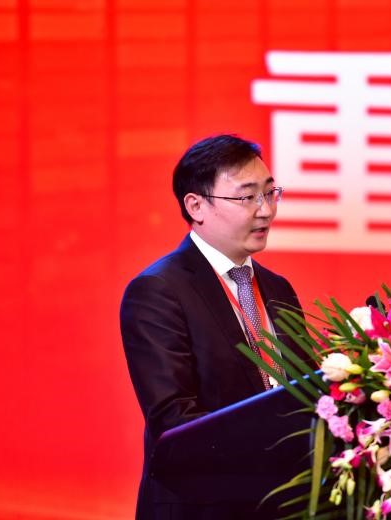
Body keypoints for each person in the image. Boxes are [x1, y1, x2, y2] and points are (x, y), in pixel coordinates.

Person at [120, 134, 304, 519]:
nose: (266, 210)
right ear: (196, 206)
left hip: (284, 505)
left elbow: (303, 394)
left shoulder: (278, 288)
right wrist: (271, 451)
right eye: (247, 197)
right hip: (202, 507)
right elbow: (175, 422)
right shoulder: (158, 290)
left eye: (270, 193)